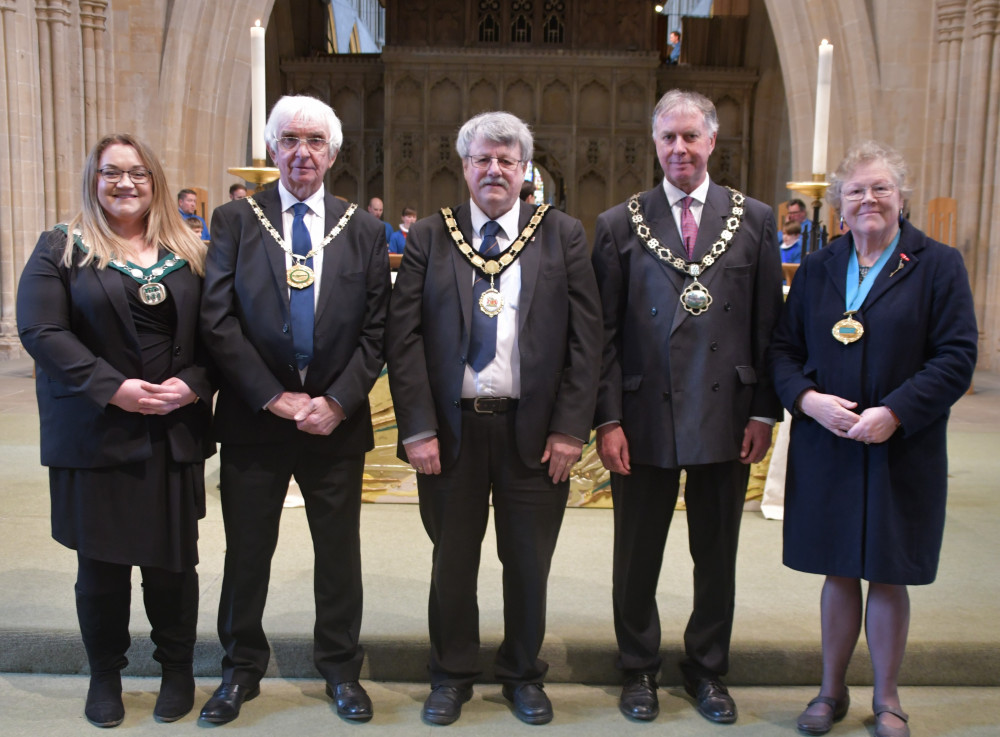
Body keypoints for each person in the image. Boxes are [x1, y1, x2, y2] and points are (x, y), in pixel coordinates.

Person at [385, 111, 601, 726]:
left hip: (533, 434)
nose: (495, 170)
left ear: (524, 169)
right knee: (452, 560)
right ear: (465, 167)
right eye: (483, 159)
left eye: (507, 160)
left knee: (528, 561)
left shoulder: (561, 235)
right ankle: (451, 674)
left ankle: (522, 674)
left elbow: (587, 342)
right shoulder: (431, 235)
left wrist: (568, 429)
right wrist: (417, 427)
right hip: (449, 434)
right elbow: (403, 340)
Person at [769, 141, 977, 737]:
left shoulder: (937, 264)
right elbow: (783, 351)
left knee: (887, 571)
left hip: (900, 445)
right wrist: (807, 400)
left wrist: (896, 412)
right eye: (856, 190)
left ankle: (888, 701)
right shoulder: (819, 267)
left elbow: (957, 356)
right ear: (838, 203)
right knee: (838, 569)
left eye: (880, 188)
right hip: (829, 441)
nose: (868, 199)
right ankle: (829, 693)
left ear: (901, 197)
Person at [592, 89, 784, 725]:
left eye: (690, 137)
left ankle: (707, 668)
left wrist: (763, 412)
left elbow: (768, 327)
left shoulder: (752, 218)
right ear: (654, 144)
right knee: (637, 551)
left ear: (711, 143)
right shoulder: (621, 222)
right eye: (668, 138)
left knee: (716, 552)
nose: (679, 148)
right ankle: (637, 667)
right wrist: (608, 418)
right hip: (643, 415)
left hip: (727, 417)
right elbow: (604, 335)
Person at [199, 94, 390, 725]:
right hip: (257, 419)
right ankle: (239, 670)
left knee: (338, 553)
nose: (301, 152)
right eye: (289, 140)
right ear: (273, 149)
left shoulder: (360, 227)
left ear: (333, 154)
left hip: (335, 422)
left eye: (314, 141)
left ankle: (340, 668)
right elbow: (218, 319)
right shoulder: (236, 220)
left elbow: (377, 331)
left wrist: (336, 401)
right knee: (247, 550)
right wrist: (270, 394)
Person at [16, 133, 213, 727]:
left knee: (173, 564)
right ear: (93, 180)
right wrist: (115, 389)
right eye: (110, 173)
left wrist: (195, 383)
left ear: (154, 180)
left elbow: (223, 332)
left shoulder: (191, 250)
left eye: (137, 173)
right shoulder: (62, 247)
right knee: (101, 567)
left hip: (171, 431)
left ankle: (176, 669)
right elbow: (42, 331)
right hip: (98, 430)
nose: (124, 183)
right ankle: (106, 675)